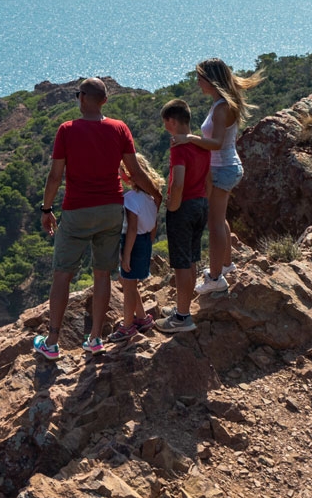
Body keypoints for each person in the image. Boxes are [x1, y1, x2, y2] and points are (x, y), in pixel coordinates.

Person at [35, 78, 161, 361]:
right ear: (104, 101)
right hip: (110, 211)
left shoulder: (66, 130)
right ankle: (95, 339)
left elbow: (55, 176)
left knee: (62, 274)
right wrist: (156, 196)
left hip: (77, 210)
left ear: (81, 99)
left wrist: (46, 209)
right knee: (102, 274)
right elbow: (136, 172)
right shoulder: (119, 129)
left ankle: (52, 342)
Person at [170, 58, 261, 296]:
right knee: (220, 220)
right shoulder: (220, 103)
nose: (197, 82)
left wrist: (188, 139)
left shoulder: (222, 108)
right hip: (223, 168)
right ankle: (227, 265)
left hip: (223, 169)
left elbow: (217, 143)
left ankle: (215, 277)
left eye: (200, 78)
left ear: (211, 80)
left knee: (215, 223)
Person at [156, 99, 210, 333]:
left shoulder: (178, 146)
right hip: (201, 203)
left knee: (180, 264)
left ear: (171, 121)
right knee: (191, 260)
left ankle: (182, 317)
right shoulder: (202, 144)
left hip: (184, 207)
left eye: (165, 122)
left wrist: (172, 206)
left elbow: (178, 180)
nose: (165, 126)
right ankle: (183, 307)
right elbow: (208, 177)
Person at [108, 153, 163, 343]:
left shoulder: (130, 198)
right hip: (145, 240)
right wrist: (150, 240)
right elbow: (153, 223)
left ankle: (127, 326)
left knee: (128, 284)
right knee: (129, 282)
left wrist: (126, 255)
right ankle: (142, 317)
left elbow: (131, 228)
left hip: (134, 242)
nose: (120, 174)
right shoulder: (151, 196)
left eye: (122, 171)